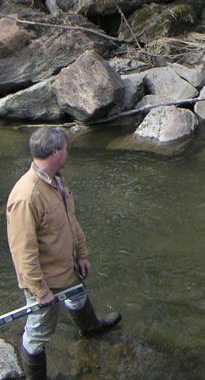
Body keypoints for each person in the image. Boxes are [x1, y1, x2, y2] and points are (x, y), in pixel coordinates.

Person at [6, 127, 121, 380]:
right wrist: (40, 290)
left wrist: (82, 253)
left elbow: (71, 220)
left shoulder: (56, 180)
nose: (69, 153)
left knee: (78, 296)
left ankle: (91, 328)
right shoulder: (26, 197)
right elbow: (22, 251)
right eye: (67, 148)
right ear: (56, 152)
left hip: (66, 267)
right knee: (37, 334)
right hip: (45, 280)